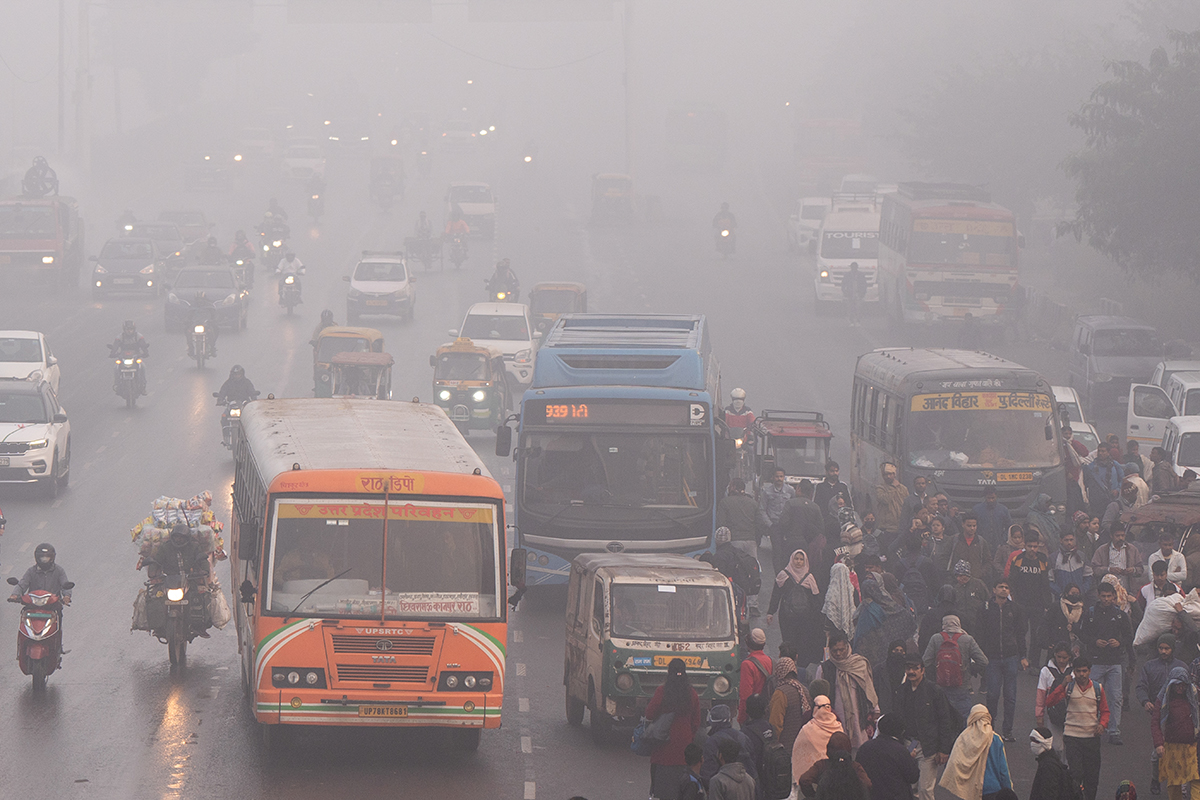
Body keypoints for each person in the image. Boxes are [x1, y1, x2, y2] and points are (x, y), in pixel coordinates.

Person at [895, 655, 961, 800]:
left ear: (923, 670)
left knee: (925, 789)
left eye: (915, 668)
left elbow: (945, 720)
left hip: (928, 747)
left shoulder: (934, 691)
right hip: (907, 744)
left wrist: (944, 749)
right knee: (908, 786)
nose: (911, 671)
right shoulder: (901, 691)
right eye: (908, 668)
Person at [1045, 656, 1110, 800]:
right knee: (1076, 773)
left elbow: (1105, 711)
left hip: (1092, 738)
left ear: (1089, 671)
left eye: (1084, 671)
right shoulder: (1068, 687)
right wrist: (1061, 685)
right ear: (1074, 672)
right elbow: (1049, 702)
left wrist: (1102, 724)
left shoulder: (1098, 689)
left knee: (1092, 777)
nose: (1082, 674)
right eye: (1079, 671)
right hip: (1072, 737)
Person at [1079, 580, 1131, 746]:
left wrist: (1120, 642)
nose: (1106, 599)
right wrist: (1095, 642)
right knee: (1091, 697)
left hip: (1115, 661)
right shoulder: (1090, 614)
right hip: (1096, 661)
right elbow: (1082, 635)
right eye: (1103, 596)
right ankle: (1092, 728)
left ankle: (1114, 731)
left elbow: (1129, 636)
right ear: (1099, 596)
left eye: (1109, 596)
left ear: (1114, 597)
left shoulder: (1121, 615)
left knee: (1116, 697)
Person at [977, 579, 1028, 741]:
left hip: (1011, 657)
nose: (1004, 590)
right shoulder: (984, 609)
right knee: (992, 694)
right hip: (991, 658)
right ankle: (990, 729)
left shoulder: (1016, 609)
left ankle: (1008, 731)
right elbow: (980, 633)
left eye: (1007, 587)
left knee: (1010, 696)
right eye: (1001, 587)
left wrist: (1023, 656)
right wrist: (979, 656)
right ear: (994, 590)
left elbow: (1021, 634)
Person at [646, 658, 703, 800]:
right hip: (684, 747)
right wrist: (689, 736)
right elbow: (696, 722)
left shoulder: (662, 691)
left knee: (664, 791)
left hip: (663, 748)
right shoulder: (692, 694)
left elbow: (649, 713)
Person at [1139, 633, 1188, 794]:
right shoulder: (1149, 666)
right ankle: (1156, 778)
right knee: (1157, 753)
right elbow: (1141, 686)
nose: (1163, 651)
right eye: (1161, 648)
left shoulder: (1182, 667)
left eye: (1166, 648)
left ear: (1172, 649)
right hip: (1158, 713)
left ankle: (1179, 785)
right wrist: (1145, 701)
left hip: (1179, 714)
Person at [815, 632, 880, 750]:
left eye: (841, 649)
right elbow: (819, 695)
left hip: (858, 715)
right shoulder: (824, 669)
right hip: (835, 717)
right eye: (834, 651)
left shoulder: (859, 665)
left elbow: (868, 688)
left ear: (847, 647)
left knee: (860, 748)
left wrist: (874, 709)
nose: (838, 654)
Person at [938, 704, 1013, 800]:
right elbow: (1003, 769)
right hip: (993, 788)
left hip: (970, 788)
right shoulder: (995, 739)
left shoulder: (964, 737)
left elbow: (954, 762)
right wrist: (1008, 788)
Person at [923, 614, 988, 720]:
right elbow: (984, 661)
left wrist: (935, 673)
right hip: (962, 686)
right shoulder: (967, 639)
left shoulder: (936, 638)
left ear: (944, 624)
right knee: (963, 718)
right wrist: (971, 669)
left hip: (941, 686)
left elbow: (925, 661)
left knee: (942, 718)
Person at [767, 550, 823, 668]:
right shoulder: (783, 576)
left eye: (801, 559)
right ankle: (788, 665)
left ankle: (800, 668)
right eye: (796, 559)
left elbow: (815, 601)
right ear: (792, 559)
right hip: (787, 617)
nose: (798, 562)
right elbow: (776, 595)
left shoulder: (810, 578)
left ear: (805, 561)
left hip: (805, 618)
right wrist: (770, 612)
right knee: (788, 641)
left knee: (803, 642)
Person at [1150, 666, 1200, 800]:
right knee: (1174, 783)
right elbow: (1156, 723)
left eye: (1183, 685)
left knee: (1196, 779)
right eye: (1177, 685)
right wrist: (1159, 744)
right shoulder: (1163, 700)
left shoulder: (1192, 698)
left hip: (1192, 747)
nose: (1180, 688)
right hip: (1171, 748)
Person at [1007, 528, 1052, 665]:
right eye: (1030, 546)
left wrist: (1047, 604)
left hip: (1038, 604)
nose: (1033, 549)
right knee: (1020, 632)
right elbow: (1011, 582)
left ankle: (1034, 662)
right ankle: (1021, 659)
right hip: (1021, 604)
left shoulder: (1043, 560)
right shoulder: (1018, 559)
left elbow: (1046, 584)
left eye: (1035, 546)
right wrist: (1013, 601)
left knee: (1036, 634)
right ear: (1024, 546)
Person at [719, 479, 762, 616]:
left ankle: (733, 600)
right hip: (750, 542)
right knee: (753, 572)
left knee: (733, 572)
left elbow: (721, 524)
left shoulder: (725, 503)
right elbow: (759, 524)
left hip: (734, 542)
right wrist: (755, 539)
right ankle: (753, 604)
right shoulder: (753, 504)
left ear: (733, 487)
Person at [852, 578, 915, 671]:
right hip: (889, 651)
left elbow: (861, 633)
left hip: (871, 653)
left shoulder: (866, 608)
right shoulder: (888, 602)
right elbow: (904, 615)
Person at [854, 713, 919, 800]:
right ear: (901, 730)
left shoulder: (864, 748)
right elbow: (913, 776)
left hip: (871, 795)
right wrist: (911, 759)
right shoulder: (900, 750)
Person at [791, 696, 843, 791]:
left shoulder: (807, 729)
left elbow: (797, 752)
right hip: (838, 777)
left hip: (813, 778)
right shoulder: (838, 727)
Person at [795, 731, 870, 797]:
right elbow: (868, 785)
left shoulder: (822, 765)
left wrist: (814, 796)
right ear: (848, 748)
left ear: (828, 748)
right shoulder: (855, 766)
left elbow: (804, 780)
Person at [774, 481, 825, 575]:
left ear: (799, 489)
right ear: (810, 493)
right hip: (808, 545)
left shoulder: (790, 503)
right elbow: (821, 528)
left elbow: (783, 523)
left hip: (791, 542)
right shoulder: (815, 507)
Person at [702, 705, 758, 789]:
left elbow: (708, 773)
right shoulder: (744, 737)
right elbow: (753, 762)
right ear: (729, 720)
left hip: (724, 790)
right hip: (748, 788)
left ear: (711, 721)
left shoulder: (712, 742)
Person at [1034, 642, 1075, 755]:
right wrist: (1039, 715)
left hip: (1072, 712)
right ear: (1054, 655)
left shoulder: (1074, 671)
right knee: (1057, 746)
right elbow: (1041, 695)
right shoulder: (1045, 671)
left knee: (1071, 746)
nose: (1061, 660)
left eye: (1064, 658)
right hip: (1054, 713)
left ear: (1069, 657)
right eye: (1059, 657)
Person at [768, 656, 812, 753]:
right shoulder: (804, 690)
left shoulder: (780, 693)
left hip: (786, 746)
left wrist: (773, 745)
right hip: (804, 743)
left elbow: (775, 723)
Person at [1092, 524, 1144, 598]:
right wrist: (1109, 569)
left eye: (1122, 535)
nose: (1121, 538)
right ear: (1111, 536)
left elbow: (1140, 569)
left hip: (1128, 591)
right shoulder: (1102, 550)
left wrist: (1133, 570)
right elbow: (1095, 569)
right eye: (1117, 536)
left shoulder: (1132, 550)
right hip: (1108, 593)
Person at [741, 694, 776, 800]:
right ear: (765, 710)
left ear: (747, 711)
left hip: (755, 778)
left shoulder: (745, 733)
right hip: (772, 776)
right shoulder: (771, 728)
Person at [1028, 726, 1076, 800]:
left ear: (1044, 743)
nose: (1032, 744)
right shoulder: (1050, 761)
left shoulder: (1048, 766)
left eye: (1036, 741)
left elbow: (1049, 794)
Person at [739, 628, 774, 725]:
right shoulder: (771, 661)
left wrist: (741, 718)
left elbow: (745, 696)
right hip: (768, 712)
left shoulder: (747, 664)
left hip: (753, 715)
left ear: (748, 643)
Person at [1051, 532, 1094, 601]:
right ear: (1061, 540)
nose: (1069, 543)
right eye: (1066, 540)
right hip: (1061, 600)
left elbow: (1089, 575)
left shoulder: (1081, 556)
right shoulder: (1053, 558)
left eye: (1071, 540)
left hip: (1080, 598)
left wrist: (1083, 590)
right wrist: (1060, 593)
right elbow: (1049, 580)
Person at [950, 560, 989, 637]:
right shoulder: (955, 588)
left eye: (961, 575)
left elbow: (987, 600)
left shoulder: (978, 584)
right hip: (962, 625)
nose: (959, 578)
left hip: (978, 623)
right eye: (957, 576)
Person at [945, 514, 988, 583]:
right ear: (963, 524)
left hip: (975, 579)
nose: (972, 528)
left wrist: (981, 573)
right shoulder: (954, 540)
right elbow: (945, 557)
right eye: (969, 526)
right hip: (956, 580)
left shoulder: (981, 541)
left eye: (974, 526)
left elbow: (987, 561)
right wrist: (952, 573)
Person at [758, 468, 795, 549]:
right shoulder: (766, 492)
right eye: (777, 476)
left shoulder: (790, 490)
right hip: (774, 525)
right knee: (776, 550)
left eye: (781, 476)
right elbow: (762, 509)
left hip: (787, 526)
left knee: (787, 549)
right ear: (773, 477)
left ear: (784, 477)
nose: (779, 479)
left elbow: (794, 507)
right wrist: (770, 525)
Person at [1085, 445, 1124, 519]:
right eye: (1099, 451)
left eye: (1103, 451)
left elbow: (1122, 479)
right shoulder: (1091, 466)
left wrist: (1117, 489)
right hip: (1097, 501)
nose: (1100, 453)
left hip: (1112, 499)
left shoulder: (1115, 465)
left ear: (1108, 453)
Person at [822, 562, 858, 641]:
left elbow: (829, 612)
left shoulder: (831, 591)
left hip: (833, 630)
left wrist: (826, 629)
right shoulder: (851, 589)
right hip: (849, 624)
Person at [874, 640, 910, 717]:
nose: (898, 653)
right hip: (884, 710)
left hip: (904, 711)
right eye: (896, 650)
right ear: (891, 651)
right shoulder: (879, 670)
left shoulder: (909, 671)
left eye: (901, 651)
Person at [872, 463, 908, 540]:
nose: (888, 477)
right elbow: (885, 500)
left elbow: (907, 505)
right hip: (887, 528)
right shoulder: (880, 488)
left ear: (894, 474)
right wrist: (892, 487)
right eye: (885, 475)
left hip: (900, 526)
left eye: (890, 474)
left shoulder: (903, 489)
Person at [919, 585, 959, 654]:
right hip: (956, 654)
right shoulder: (960, 616)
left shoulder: (930, 614)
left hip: (934, 653)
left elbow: (923, 636)